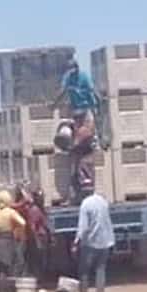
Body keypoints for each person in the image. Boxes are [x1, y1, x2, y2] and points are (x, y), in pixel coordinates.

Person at [52, 60, 101, 203]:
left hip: (85, 110)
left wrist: (99, 104)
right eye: (69, 70)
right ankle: (76, 192)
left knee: (82, 146)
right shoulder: (67, 77)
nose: (71, 73)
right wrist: (54, 105)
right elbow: (62, 92)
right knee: (75, 154)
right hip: (76, 112)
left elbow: (93, 91)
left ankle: (84, 188)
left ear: (77, 68)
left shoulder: (84, 77)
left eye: (73, 70)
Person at [74, 190, 114, 292]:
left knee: (84, 269)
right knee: (100, 268)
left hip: (90, 242)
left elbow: (83, 226)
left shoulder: (85, 204)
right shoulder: (103, 201)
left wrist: (77, 240)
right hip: (105, 241)